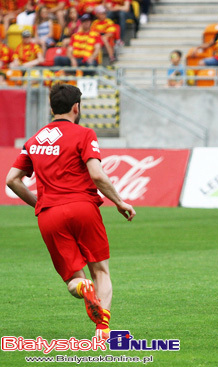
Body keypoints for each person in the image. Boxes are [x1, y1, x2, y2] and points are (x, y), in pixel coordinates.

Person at [6, 84, 136, 340]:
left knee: (74, 281)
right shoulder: (84, 134)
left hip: (49, 215)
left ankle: (82, 287)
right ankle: (102, 331)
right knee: (100, 271)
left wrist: (40, 204)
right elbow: (97, 174)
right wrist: (120, 202)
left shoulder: (34, 141)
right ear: (77, 107)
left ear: (51, 107)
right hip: (82, 208)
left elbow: (12, 180)